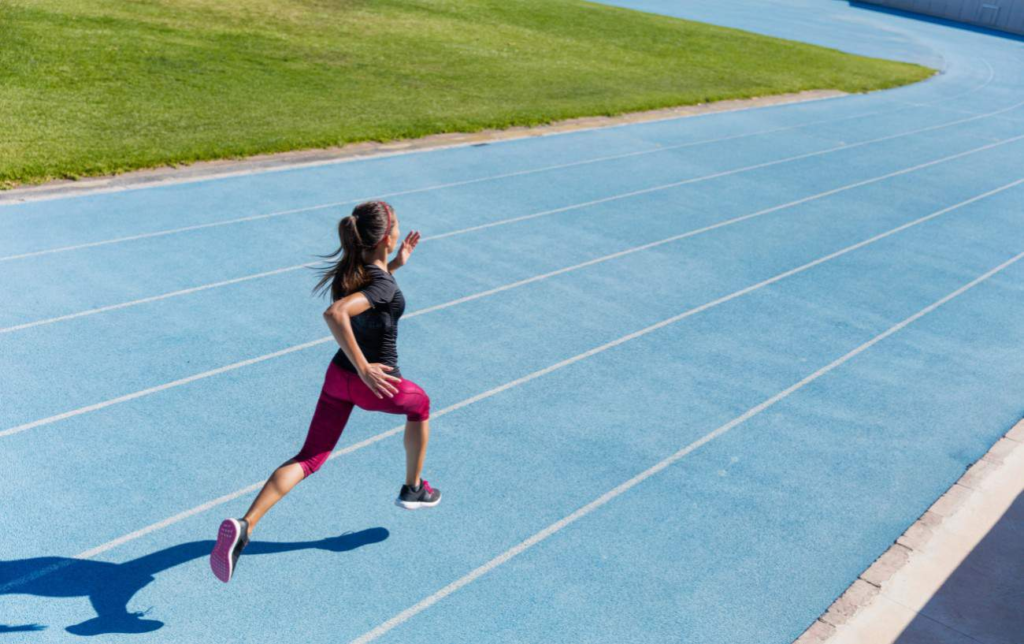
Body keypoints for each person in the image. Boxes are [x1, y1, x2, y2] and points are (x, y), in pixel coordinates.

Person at [210, 200, 440, 584]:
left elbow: (373, 295)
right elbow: (336, 314)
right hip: (375, 386)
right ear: (387, 236)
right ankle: (413, 488)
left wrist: (396, 264)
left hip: (337, 379)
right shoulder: (379, 284)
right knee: (421, 406)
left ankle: (245, 525)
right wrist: (366, 367)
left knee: (310, 457)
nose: (399, 229)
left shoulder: (355, 271)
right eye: (396, 224)